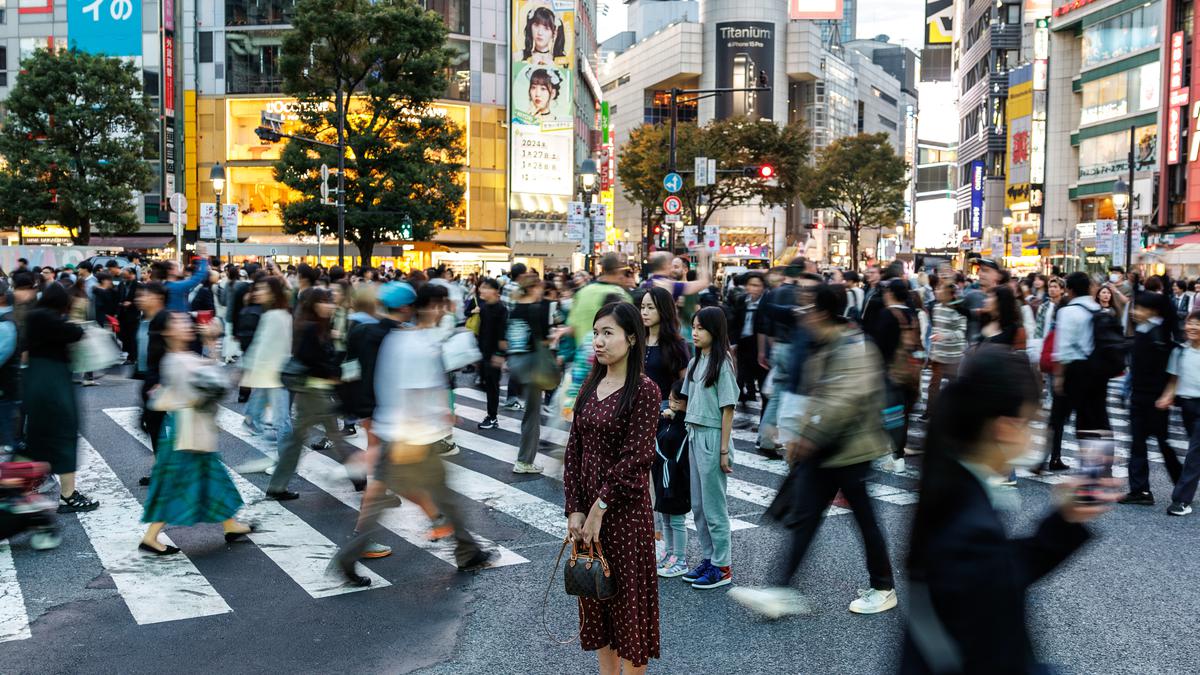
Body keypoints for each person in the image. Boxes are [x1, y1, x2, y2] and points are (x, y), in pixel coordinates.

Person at [900, 346, 1112, 673]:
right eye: (1033, 421)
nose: (1036, 432)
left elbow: (1001, 574)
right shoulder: (971, 525)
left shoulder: (952, 488)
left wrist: (1065, 519)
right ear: (1006, 427)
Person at [731, 283, 896, 618]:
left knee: (864, 519)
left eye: (806, 306)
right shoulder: (825, 342)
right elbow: (818, 395)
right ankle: (782, 590)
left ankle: (883, 587)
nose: (800, 312)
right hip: (829, 448)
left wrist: (808, 434)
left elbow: (844, 399)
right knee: (806, 519)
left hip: (851, 448)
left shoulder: (850, 344)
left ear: (821, 312)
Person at [335, 283, 495, 584]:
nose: (442, 311)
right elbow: (416, 391)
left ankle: (348, 557)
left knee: (388, 498)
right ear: (418, 307)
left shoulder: (393, 338)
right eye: (438, 305)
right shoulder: (415, 343)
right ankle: (467, 551)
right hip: (411, 436)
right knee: (442, 495)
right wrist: (439, 420)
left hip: (391, 428)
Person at [563, 301, 660, 673]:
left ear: (632, 339)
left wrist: (599, 509)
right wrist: (575, 507)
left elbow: (636, 459)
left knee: (628, 613)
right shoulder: (591, 382)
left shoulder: (645, 391)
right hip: (587, 513)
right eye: (596, 332)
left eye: (608, 333)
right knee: (596, 603)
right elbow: (575, 449)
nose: (599, 342)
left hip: (624, 519)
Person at [139, 313, 253, 555]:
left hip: (194, 429)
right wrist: (229, 374)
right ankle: (150, 536)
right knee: (177, 484)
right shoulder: (176, 361)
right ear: (168, 333)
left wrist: (212, 346)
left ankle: (230, 524)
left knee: (213, 478)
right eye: (178, 323)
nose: (187, 326)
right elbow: (211, 385)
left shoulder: (182, 357)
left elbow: (208, 372)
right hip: (186, 434)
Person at [267, 288, 360, 500]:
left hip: (315, 391)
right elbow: (311, 360)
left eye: (330, 301)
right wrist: (334, 371)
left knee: (302, 440)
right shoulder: (310, 328)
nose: (329, 305)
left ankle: (278, 485)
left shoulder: (319, 326)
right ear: (314, 305)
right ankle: (360, 477)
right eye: (324, 302)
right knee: (333, 438)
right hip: (313, 393)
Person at [22, 284, 96, 513]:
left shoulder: (33, 316)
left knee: (35, 436)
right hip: (54, 383)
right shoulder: (50, 319)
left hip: (34, 378)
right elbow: (76, 333)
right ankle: (68, 494)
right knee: (64, 434)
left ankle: (24, 488)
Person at [678, 306, 737, 590]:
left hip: (713, 437)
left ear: (715, 331)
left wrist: (724, 450)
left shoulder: (721, 363)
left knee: (714, 507)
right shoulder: (695, 362)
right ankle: (708, 558)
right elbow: (688, 400)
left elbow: (728, 409)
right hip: (693, 433)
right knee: (699, 506)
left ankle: (722, 566)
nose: (695, 332)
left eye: (701, 328)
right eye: (693, 326)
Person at [1120, 293, 1183, 506]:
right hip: (1140, 396)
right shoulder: (1144, 330)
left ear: (1153, 311)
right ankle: (1140, 490)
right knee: (1139, 443)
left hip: (1154, 399)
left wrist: (1167, 394)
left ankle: (1182, 485)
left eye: (1141, 309)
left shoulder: (1160, 333)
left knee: (1161, 443)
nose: (1136, 313)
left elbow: (1170, 368)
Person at [1047, 272, 1110, 471]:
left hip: (1074, 370)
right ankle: (1102, 467)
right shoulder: (1096, 308)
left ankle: (1048, 457)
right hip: (1097, 371)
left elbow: (1063, 349)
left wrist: (1058, 377)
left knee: (1060, 417)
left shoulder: (1068, 311)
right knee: (1096, 419)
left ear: (1070, 290)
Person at [505, 274, 553, 474]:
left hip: (517, 363)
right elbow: (541, 340)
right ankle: (524, 461)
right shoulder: (536, 309)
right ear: (534, 288)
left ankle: (524, 459)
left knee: (530, 413)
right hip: (533, 365)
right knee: (532, 415)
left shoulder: (515, 308)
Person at [240, 276, 293, 445]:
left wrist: (248, 372)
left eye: (263, 289)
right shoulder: (280, 314)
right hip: (276, 373)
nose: (258, 292)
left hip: (274, 374)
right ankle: (251, 421)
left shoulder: (274, 316)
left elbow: (261, 348)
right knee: (281, 420)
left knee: (281, 421)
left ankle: (284, 465)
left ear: (273, 294)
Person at [1157, 311, 1200, 516]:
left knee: (1194, 453)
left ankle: (1181, 500)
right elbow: (1174, 380)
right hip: (1187, 407)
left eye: (1197, 324)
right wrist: (1166, 396)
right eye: (1189, 323)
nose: (1192, 327)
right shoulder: (1180, 352)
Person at [874, 279, 921, 468]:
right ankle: (897, 453)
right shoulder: (913, 314)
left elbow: (880, 345)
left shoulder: (887, 314)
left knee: (892, 413)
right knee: (904, 413)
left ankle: (895, 456)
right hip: (911, 371)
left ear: (890, 293)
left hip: (892, 371)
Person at [653, 381, 690, 578]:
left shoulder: (686, 424)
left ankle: (680, 559)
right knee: (665, 519)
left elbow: (681, 448)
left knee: (676, 520)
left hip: (677, 479)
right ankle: (669, 553)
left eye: (677, 401)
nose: (671, 404)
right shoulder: (666, 420)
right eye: (671, 399)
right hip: (663, 476)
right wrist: (666, 418)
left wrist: (674, 418)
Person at [927, 281, 967, 421]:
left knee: (954, 385)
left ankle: (954, 412)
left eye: (941, 290)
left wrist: (945, 336)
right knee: (933, 386)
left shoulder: (959, 310)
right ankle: (930, 411)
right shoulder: (936, 307)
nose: (937, 292)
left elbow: (961, 332)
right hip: (937, 355)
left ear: (950, 295)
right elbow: (935, 329)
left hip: (953, 356)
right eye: (937, 289)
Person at [731, 272, 769, 412]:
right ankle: (739, 404)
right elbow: (735, 323)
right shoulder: (742, 300)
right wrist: (733, 343)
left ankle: (763, 417)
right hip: (743, 345)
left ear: (763, 288)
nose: (752, 288)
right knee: (739, 378)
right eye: (750, 285)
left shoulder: (766, 303)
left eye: (756, 285)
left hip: (759, 347)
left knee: (763, 383)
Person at [474, 278, 508, 430]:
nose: (482, 290)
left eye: (485, 288)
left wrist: (500, 355)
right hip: (484, 353)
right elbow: (482, 332)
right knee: (487, 385)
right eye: (481, 288)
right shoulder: (485, 307)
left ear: (495, 291)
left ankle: (492, 417)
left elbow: (503, 334)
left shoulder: (501, 309)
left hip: (494, 354)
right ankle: (491, 415)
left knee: (492, 386)